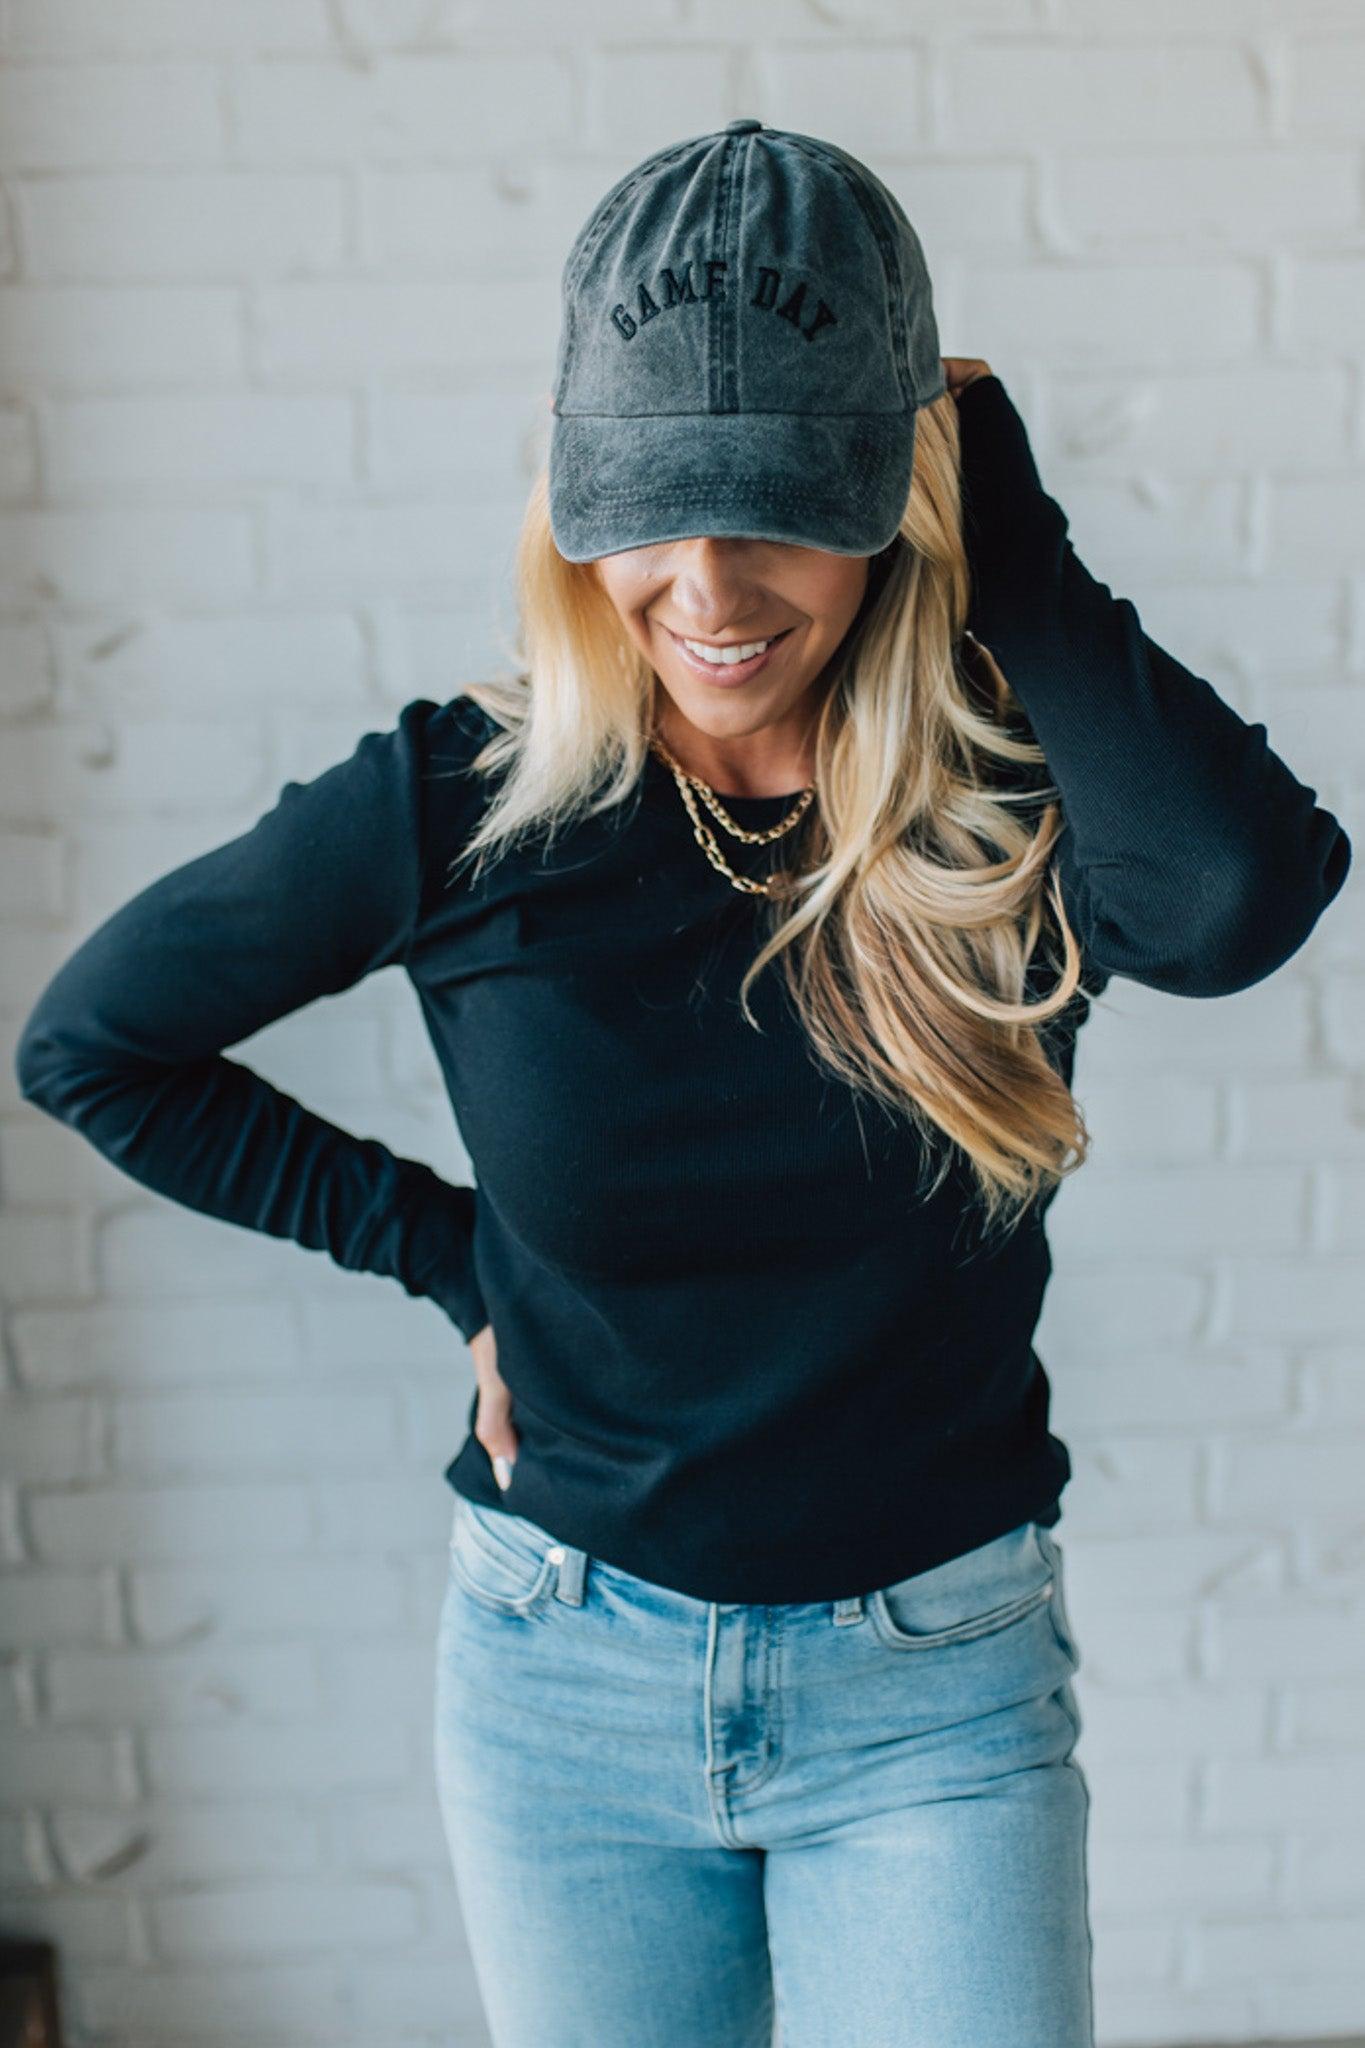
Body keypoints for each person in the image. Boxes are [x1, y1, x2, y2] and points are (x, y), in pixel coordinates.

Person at [13, 121, 1351, 2048]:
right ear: (569, 495)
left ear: (897, 490)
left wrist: (1012, 529)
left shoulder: (1001, 802)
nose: (707, 586)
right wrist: (455, 1259)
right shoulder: (461, 809)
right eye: (646, 508)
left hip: (935, 1695)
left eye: (777, 510)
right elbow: (94, 1047)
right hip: (564, 1688)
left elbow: (1237, 904)